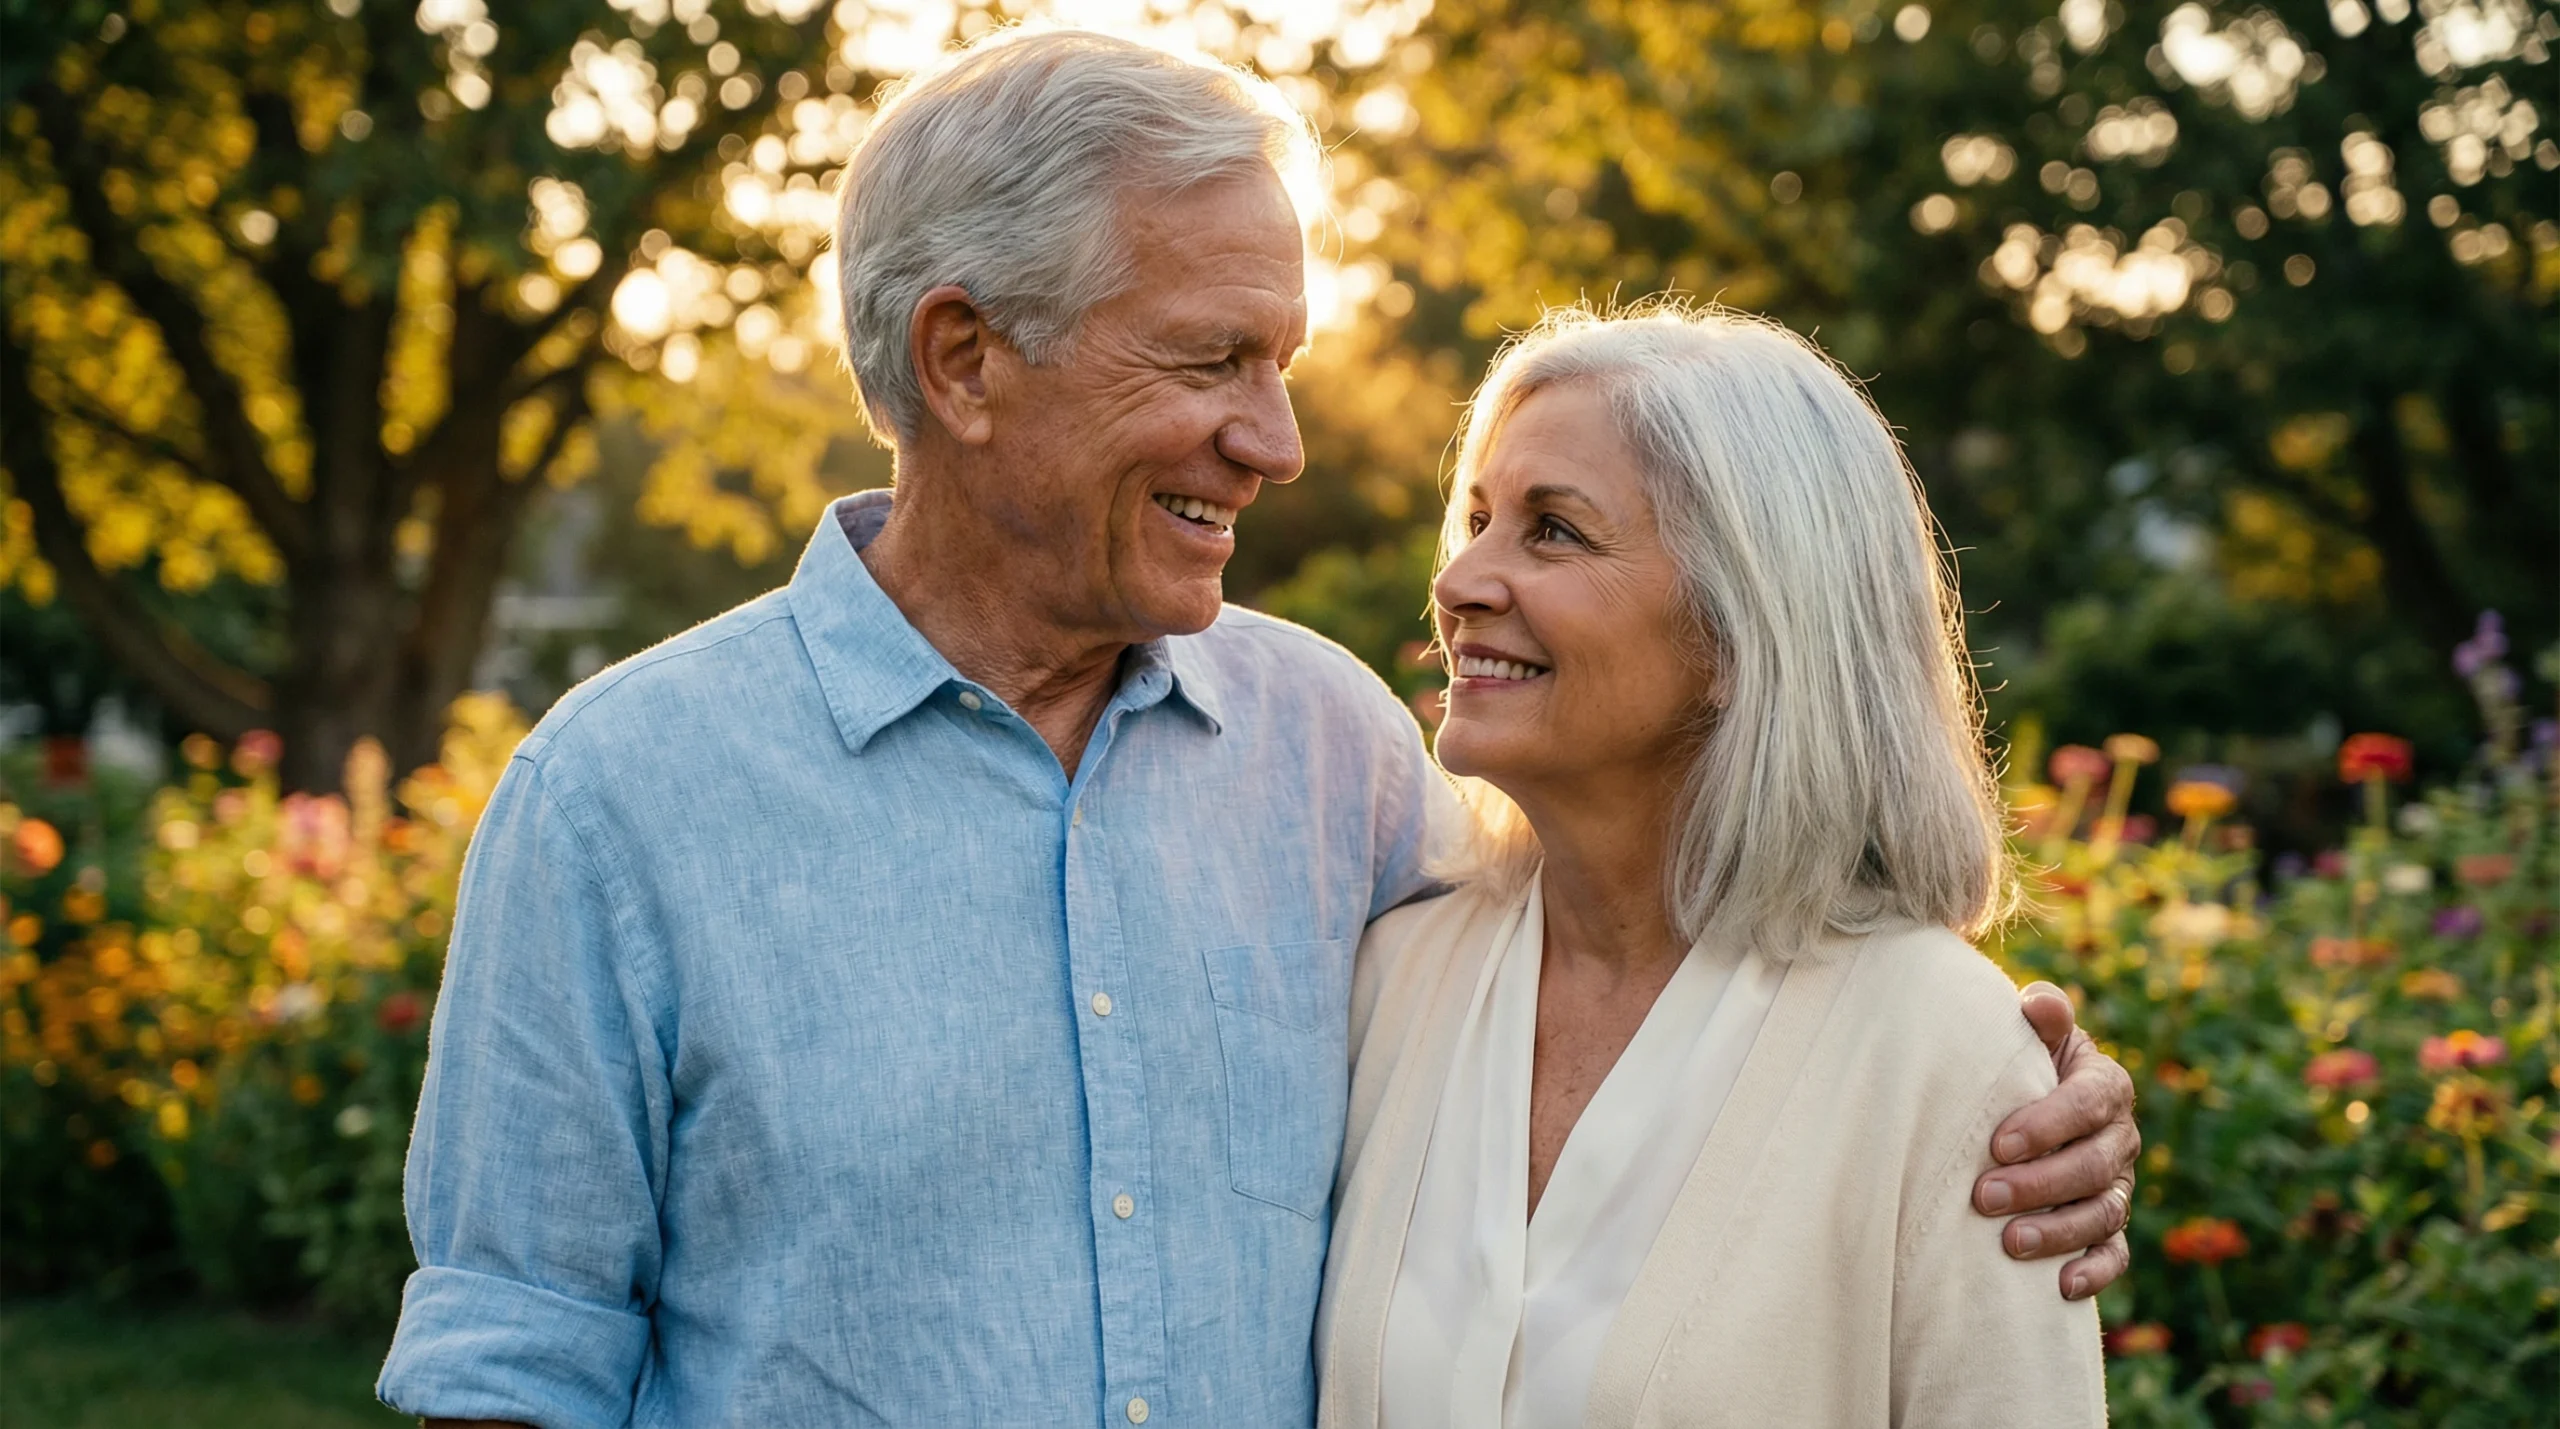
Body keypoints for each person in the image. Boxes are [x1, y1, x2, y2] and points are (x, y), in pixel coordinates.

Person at [379, 29, 2136, 1429]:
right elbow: (511, 1359)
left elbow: (1698, 978)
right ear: (967, 359)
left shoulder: (1341, 756)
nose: (1278, 441)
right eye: (1212, 359)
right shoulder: (618, 801)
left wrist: (2014, 1099)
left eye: (1283, 362)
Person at [1317, 305, 2115, 1428]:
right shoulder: (1389, 980)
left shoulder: (1942, 1052)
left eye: (1553, 531)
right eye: (1481, 518)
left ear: (1742, 633)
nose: (1459, 582)